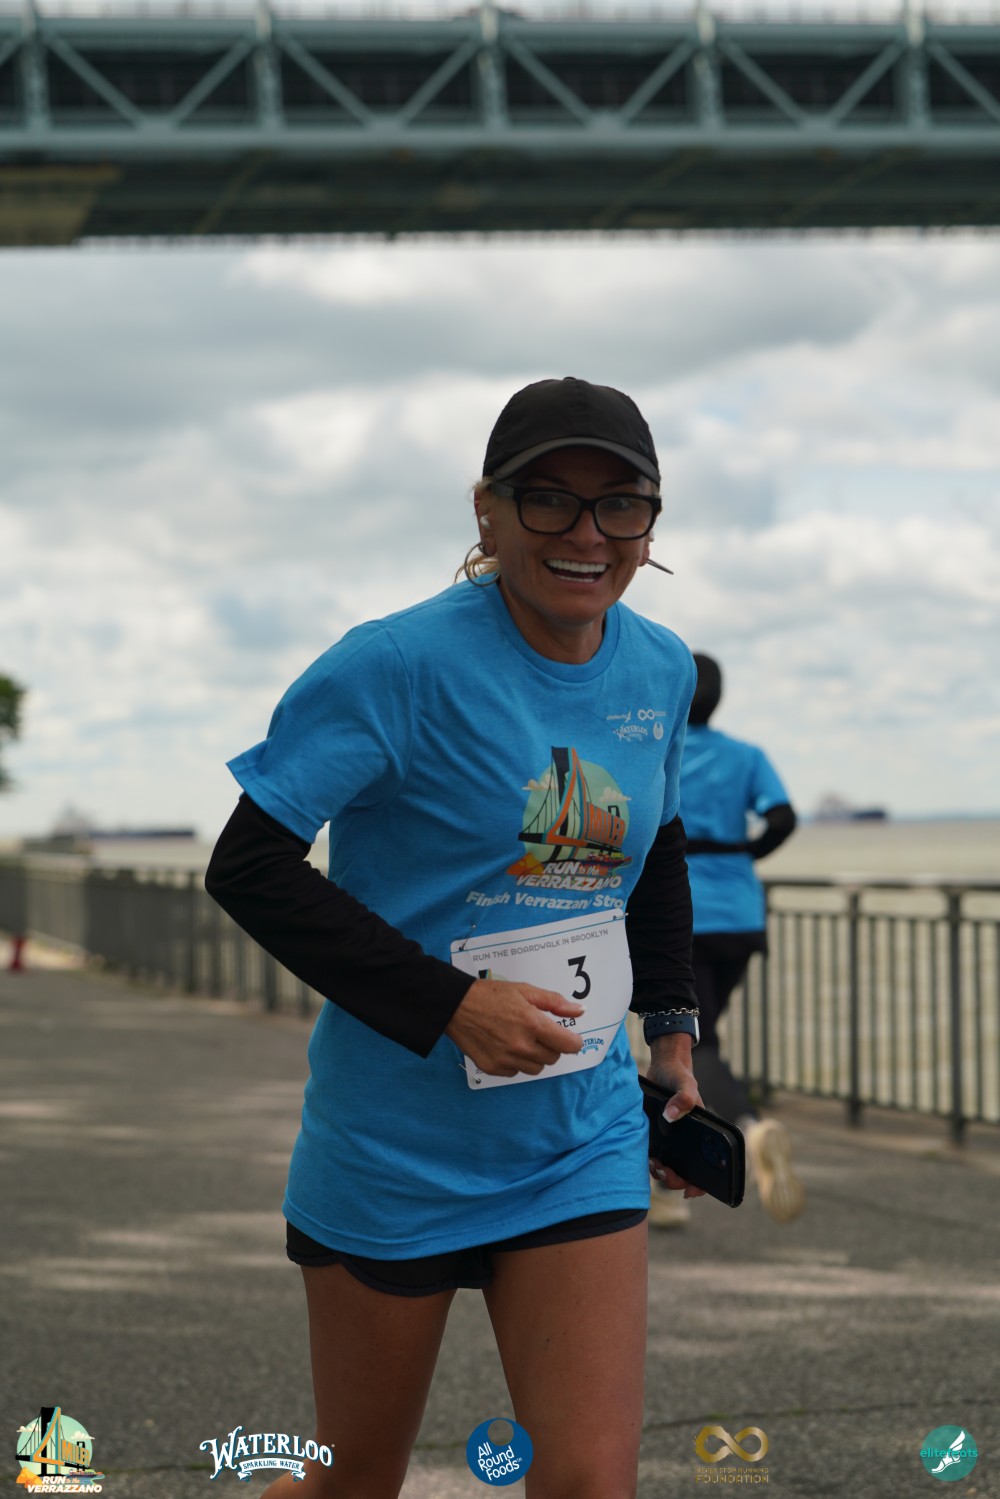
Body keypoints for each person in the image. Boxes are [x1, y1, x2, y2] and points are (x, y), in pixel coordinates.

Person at [205, 376, 705, 1499]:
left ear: (650, 520)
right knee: (354, 1480)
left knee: (589, 1482)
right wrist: (451, 1003)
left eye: (620, 504)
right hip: (397, 1143)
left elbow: (660, 841)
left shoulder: (660, 666)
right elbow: (247, 866)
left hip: (575, 1138)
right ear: (487, 508)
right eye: (549, 498)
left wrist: (671, 1029)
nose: (587, 534)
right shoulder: (393, 665)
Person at [679, 651, 805, 1225]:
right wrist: (741, 854)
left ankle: (750, 1128)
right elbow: (783, 819)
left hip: (681, 916)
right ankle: (664, 1188)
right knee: (697, 1038)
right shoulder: (746, 755)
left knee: (688, 1042)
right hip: (740, 914)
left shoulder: (662, 750)